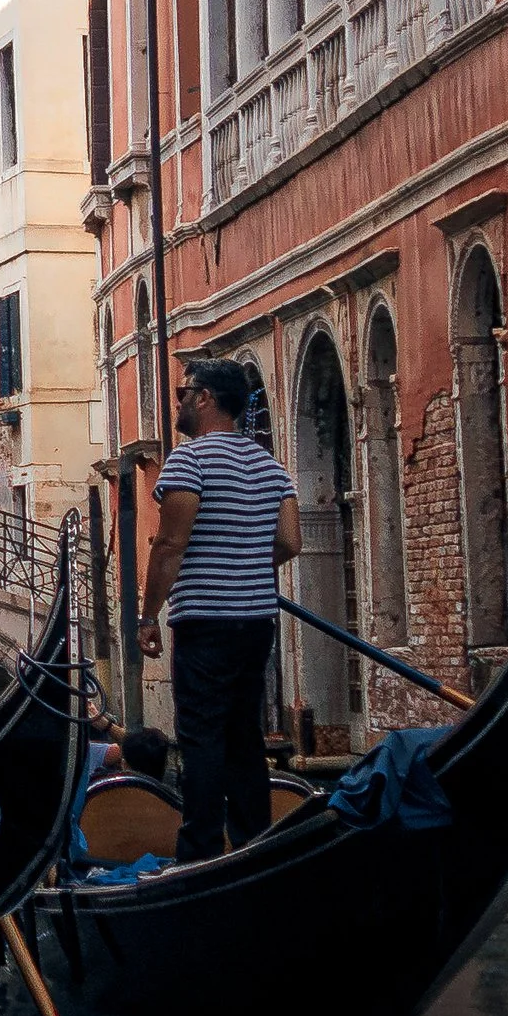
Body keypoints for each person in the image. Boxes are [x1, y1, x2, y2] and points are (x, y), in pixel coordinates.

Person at [138, 358, 301, 861]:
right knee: (243, 736)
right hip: (255, 621)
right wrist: (245, 560)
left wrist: (148, 616)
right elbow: (290, 542)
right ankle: (255, 843)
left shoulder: (189, 462)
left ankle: (202, 851)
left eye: (185, 393)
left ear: (206, 398)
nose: (179, 402)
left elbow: (170, 544)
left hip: (205, 620)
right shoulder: (272, 468)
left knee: (202, 737)